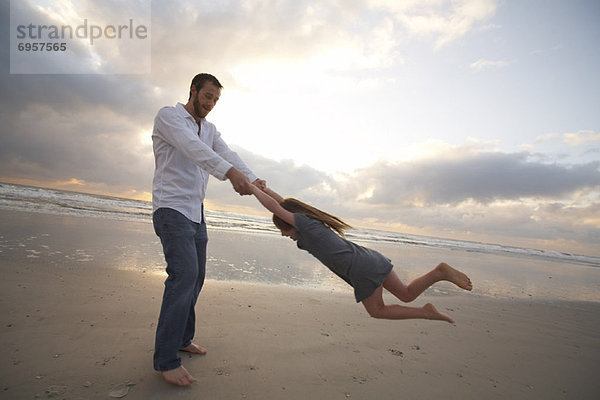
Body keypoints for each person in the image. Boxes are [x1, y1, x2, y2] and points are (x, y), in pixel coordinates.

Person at [152, 73, 265, 386]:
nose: (211, 103)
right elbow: (192, 149)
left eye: (215, 100)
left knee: (196, 277)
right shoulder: (169, 116)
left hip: (195, 213)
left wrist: (252, 177)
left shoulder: (210, 129)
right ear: (193, 90)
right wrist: (230, 175)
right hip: (170, 207)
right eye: (207, 97)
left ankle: (182, 337)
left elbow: (227, 153)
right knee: (184, 275)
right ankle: (165, 359)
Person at [250, 185, 473, 322]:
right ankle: (438, 272)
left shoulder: (306, 227)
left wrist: (253, 189)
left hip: (361, 268)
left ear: (293, 223)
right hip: (369, 258)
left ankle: (425, 313)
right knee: (406, 294)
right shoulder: (310, 224)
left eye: (283, 229)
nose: (283, 234)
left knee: (377, 311)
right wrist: (266, 189)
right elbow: (283, 205)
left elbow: (277, 208)